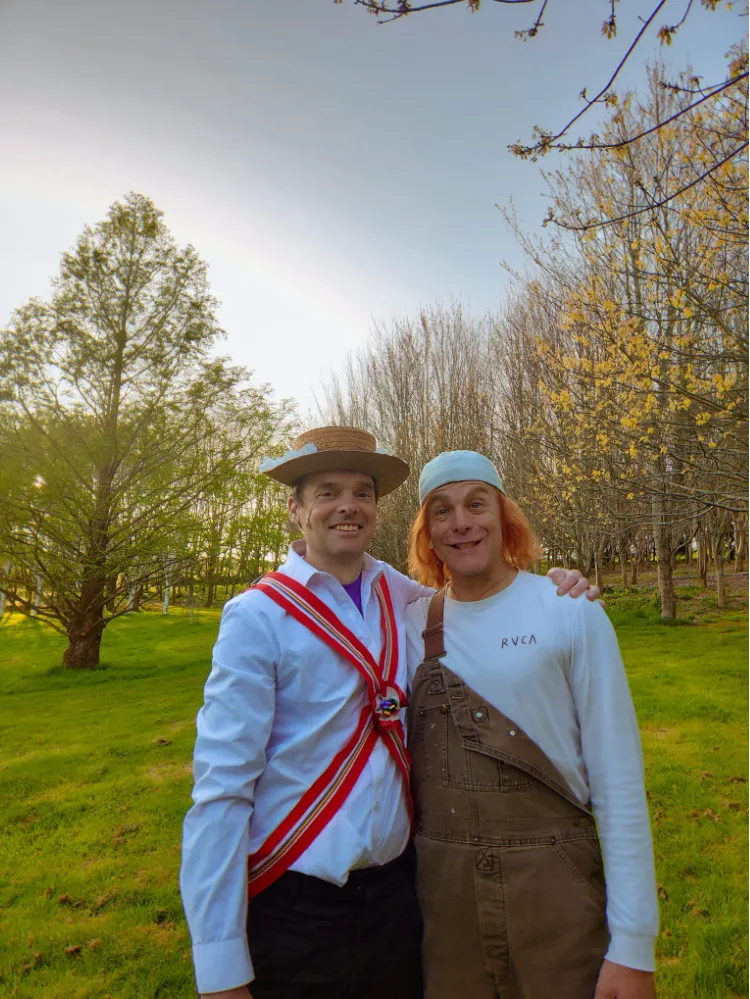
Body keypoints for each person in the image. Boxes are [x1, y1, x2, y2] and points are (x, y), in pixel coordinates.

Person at [180, 427, 598, 999]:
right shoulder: (256, 617)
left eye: (363, 492)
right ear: (295, 508)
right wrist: (220, 966)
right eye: (327, 491)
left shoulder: (401, 597)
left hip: (401, 900)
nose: (348, 506)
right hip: (298, 907)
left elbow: (481, 600)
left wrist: (555, 588)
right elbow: (222, 789)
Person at [405, 450, 659, 999]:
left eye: (477, 504)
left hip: (556, 891)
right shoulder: (408, 626)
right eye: (442, 511)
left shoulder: (568, 609)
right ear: (427, 533)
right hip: (443, 904)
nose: (461, 522)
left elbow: (617, 782)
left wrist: (634, 946)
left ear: (505, 518)